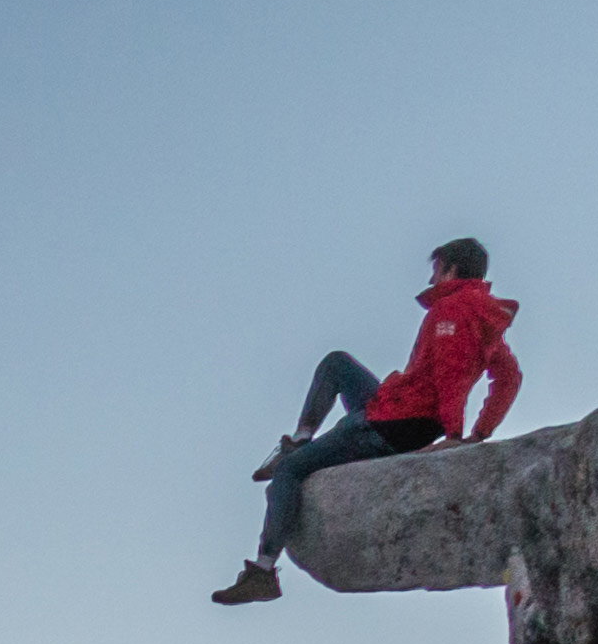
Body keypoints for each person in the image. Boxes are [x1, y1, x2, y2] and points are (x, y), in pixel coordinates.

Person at [215, 240, 519, 604]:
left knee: (290, 473)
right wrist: (481, 432)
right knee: (337, 363)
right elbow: (509, 378)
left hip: (392, 425)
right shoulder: (483, 316)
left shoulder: (451, 310)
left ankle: (263, 572)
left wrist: (457, 436)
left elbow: (450, 374)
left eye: (436, 268)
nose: (431, 276)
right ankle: (299, 438)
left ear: (451, 270)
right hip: (397, 408)